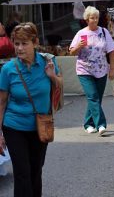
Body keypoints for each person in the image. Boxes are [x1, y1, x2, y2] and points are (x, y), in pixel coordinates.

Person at [0, 23, 62, 197]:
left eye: (24, 43)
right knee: (22, 173)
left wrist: (52, 76)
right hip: (14, 127)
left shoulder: (48, 62)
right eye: (16, 43)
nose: (19, 48)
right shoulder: (8, 69)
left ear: (35, 42)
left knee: (36, 170)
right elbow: (1, 102)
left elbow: (59, 86)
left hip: (40, 126)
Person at [70, 6, 114, 135]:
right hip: (84, 69)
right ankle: (101, 124)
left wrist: (112, 69)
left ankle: (88, 124)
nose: (95, 20)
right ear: (86, 19)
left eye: (96, 18)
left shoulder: (104, 32)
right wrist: (78, 46)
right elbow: (72, 52)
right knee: (93, 96)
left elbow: (111, 51)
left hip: (101, 69)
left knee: (96, 98)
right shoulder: (81, 33)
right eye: (92, 18)